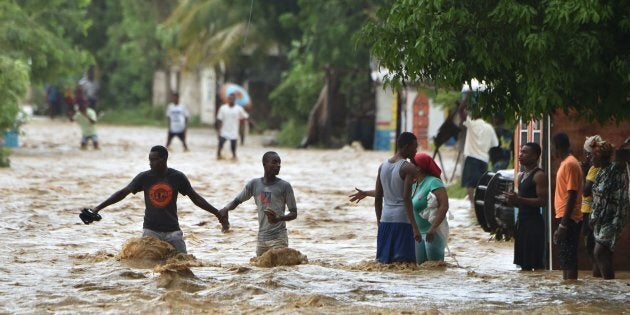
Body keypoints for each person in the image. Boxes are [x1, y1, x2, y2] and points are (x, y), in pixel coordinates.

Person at [89, 145, 228, 253]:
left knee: (182, 264)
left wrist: (217, 213)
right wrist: (97, 208)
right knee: (145, 263)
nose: (151, 163)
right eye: (150, 160)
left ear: (164, 159)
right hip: (150, 230)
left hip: (173, 231)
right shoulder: (144, 177)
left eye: (154, 160)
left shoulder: (177, 177)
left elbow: (196, 198)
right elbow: (122, 193)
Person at [219, 151, 297, 256]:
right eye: (274, 162)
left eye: (279, 163)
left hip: (279, 239)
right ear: (264, 164)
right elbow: (236, 201)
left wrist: (278, 218)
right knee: (261, 270)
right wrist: (226, 209)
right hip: (261, 240)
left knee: (279, 270)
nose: (278, 165)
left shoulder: (285, 186)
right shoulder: (254, 184)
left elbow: (294, 213)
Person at [374, 132, 421, 263]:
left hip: (385, 220)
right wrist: (415, 227)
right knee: (406, 265)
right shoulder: (408, 168)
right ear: (406, 147)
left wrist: (380, 222)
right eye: (414, 147)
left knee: (384, 264)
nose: (416, 151)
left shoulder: (382, 166)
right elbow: (406, 198)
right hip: (403, 221)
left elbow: (378, 197)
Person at [504, 142, 547, 271]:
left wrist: (519, 199)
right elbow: (520, 202)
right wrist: (511, 200)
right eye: (520, 151)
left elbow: (542, 201)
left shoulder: (539, 176)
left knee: (536, 264)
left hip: (534, 225)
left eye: (524, 152)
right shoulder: (521, 175)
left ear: (534, 156)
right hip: (522, 223)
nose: (520, 155)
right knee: (523, 265)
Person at [589, 140, 629, 279]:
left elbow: (622, 157)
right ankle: (606, 293)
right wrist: (593, 217)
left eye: (593, 156)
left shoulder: (615, 169)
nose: (590, 159)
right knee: (605, 255)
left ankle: (609, 288)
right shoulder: (600, 172)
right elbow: (598, 199)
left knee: (599, 253)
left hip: (613, 219)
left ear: (601, 156)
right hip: (600, 219)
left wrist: (622, 145)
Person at [551, 132, 583, 280]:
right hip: (564, 216)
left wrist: (563, 225)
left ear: (557, 147)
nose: (552, 151)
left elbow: (572, 195)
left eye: (552, 147)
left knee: (569, 260)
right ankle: (568, 295)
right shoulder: (566, 163)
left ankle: (572, 295)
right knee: (565, 259)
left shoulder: (570, 164)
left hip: (569, 218)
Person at [411, 152, 449, 264]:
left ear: (418, 168)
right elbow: (392, 194)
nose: (408, 166)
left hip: (433, 232)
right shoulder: (414, 184)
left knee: (435, 267)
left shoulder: (434, 182)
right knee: (421, 270)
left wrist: (433, 228)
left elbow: (444, 206)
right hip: (418, 233)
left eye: (411, 164)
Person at [460, 107, 499, 209]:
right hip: (484, 159)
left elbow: (462, 113)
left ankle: (472, 205)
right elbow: (495, 144)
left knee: (470, 183)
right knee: (481, 182)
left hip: (471, 157)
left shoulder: (471, 124)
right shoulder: (489, 127)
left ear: (473, 116)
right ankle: (479, 204)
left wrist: (463, 102)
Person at [580, 135, 602, 275]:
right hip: (592, 211)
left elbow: (586, 191)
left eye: (585, 153)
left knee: (591, 246)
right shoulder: (597, 168)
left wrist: (583, 173)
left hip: (591, 211)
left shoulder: (594, 169)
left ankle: (597, 273)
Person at [216, 93, 249, 160]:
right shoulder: (223, 108)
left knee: (233, 150)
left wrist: (248, 122)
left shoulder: (239, 108)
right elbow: (219, 120)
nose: (231, 100)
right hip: (224, 131)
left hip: (234, 132)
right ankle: (218, 157)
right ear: (228, 99)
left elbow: (245, 116)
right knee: (220, 146)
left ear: (235, 100)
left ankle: (234, 157)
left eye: (232, 99)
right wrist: (219, 132)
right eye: (229, 99)